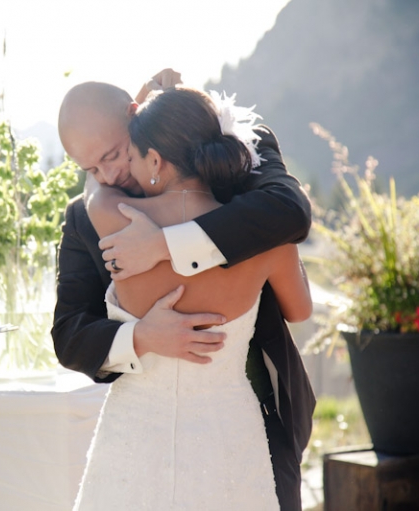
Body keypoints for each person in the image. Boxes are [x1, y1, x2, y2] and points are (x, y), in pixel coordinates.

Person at [53, 75, 315, 510]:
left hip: (260, 419)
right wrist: (141, 337)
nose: (109, 175)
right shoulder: (84, 217)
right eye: (91, 171)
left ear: (137, 119)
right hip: (148, 431)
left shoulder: (243, 154)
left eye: (114, 155)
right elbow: (69, 336)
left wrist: (165, 246)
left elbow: (290, 211)